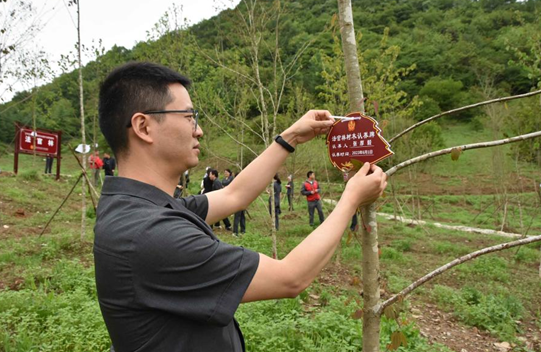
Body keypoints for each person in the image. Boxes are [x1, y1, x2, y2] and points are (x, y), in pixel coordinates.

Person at [94, 62, 386, 352]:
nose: (200, 131)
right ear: (143, 127)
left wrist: (291, 137)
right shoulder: (150, 235)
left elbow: (235, 195)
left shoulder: (142, 208)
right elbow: (290, 278)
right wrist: (351, 199)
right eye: (188, 116)